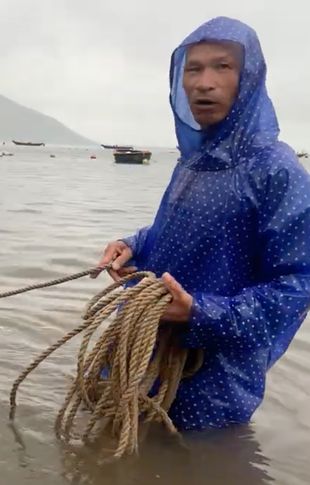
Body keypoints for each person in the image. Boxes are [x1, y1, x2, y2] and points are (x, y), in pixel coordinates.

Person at [92, 16, 310, 431]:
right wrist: (133, 243)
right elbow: (180, 229)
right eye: (193, 68)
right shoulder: (193, 162)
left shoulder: (277, 171)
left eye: (222, 67)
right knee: (108, 443)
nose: (203, 83)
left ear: (248, 78)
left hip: (210, 383)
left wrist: (200, 312)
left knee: (198, 462)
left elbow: (297, 285)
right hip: (141, 354)